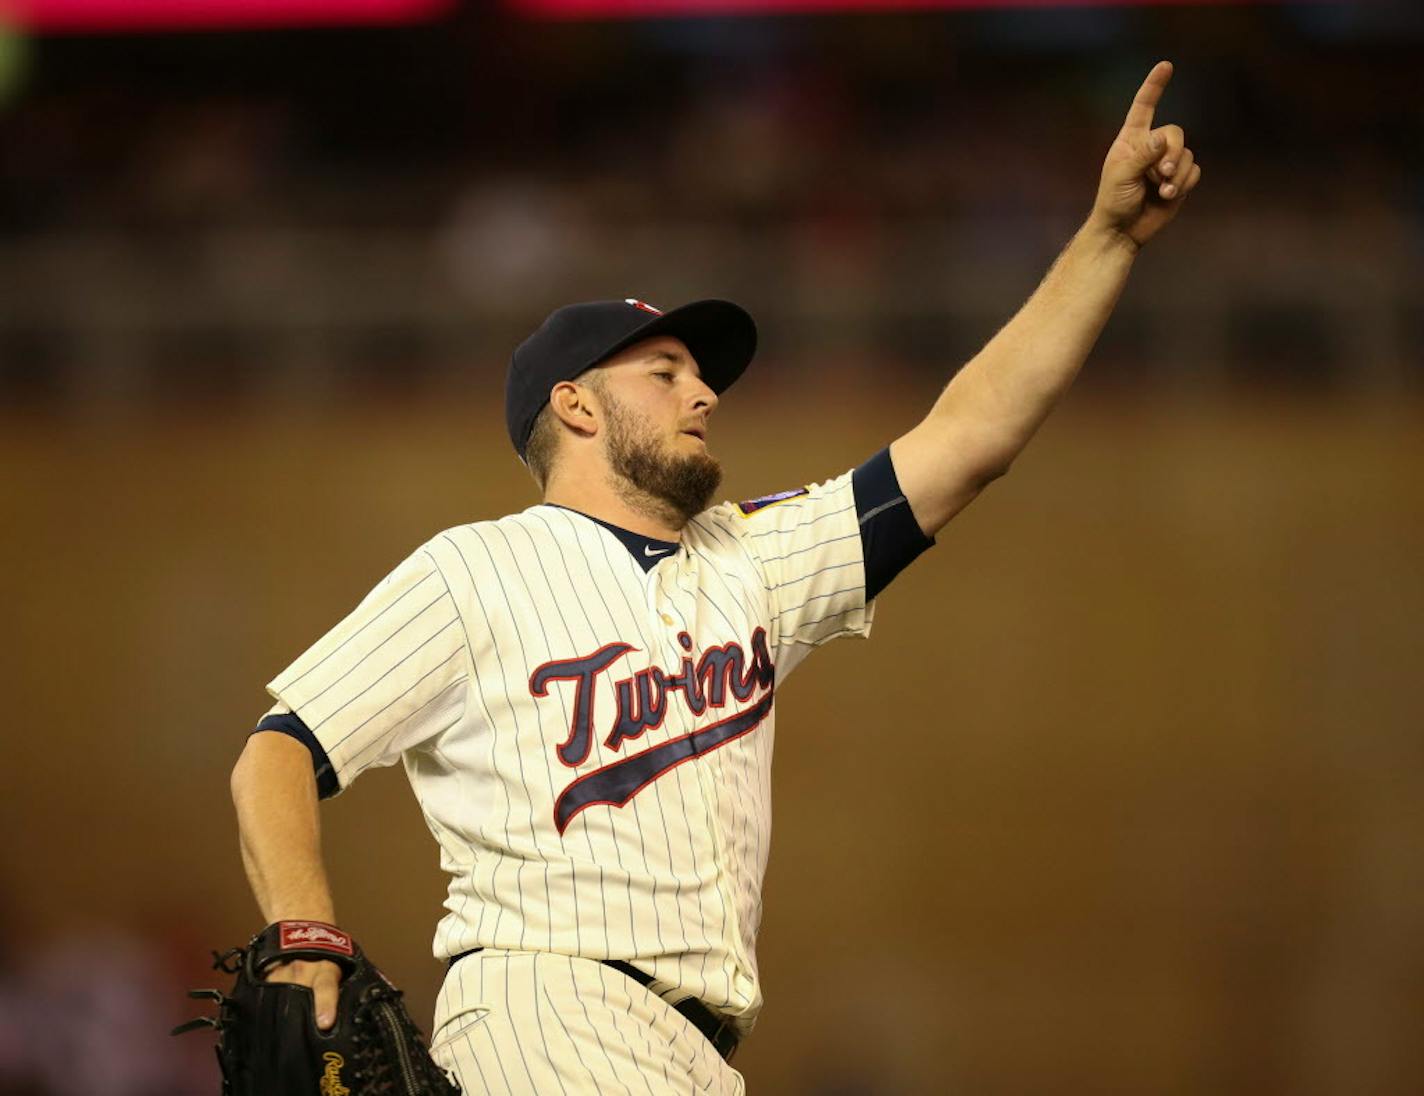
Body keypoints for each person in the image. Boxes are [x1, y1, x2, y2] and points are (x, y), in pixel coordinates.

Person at [229, 61, 1199, 1093]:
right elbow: (279, 752)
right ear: (575, 405)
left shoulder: (750, 558)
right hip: (545, 1008)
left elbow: (968, 438)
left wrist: (1100, 241)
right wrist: (306, 936)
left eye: (702, 376)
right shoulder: (475, 568)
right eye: (665, 373)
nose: (702, 394)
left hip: (697, 1052)